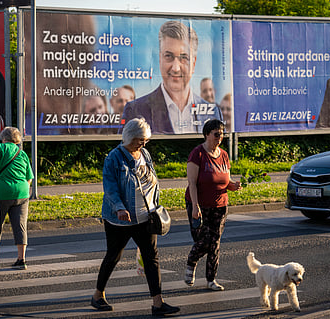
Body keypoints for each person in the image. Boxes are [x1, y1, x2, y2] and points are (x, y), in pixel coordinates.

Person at [91, 118, 180, 316]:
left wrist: (155, 205)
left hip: (145, 217)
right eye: (141, 140)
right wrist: (120, 208)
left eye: (146, 140)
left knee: (151, 258)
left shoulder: (145, 154)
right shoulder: (113, 158)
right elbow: (110, 188)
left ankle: (158, 303)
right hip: (120, 219)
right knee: (114, 256)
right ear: (130, 137)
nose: (144, 143)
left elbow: (151, 181)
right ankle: (98, 295)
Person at [121, 21, 223, 134]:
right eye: (168, 56)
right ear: (160, 59)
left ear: (193, 63)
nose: (175, 68)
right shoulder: (135, 110)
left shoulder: (213, 112)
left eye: (184, 57)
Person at [184, 119, 241, 290]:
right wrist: (195, 206)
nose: (220, 138)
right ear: (207, 134)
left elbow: (225, 179)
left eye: (222, 134)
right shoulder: (197, 154)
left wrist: (233, 185)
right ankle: (192, 261)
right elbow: (192, 183)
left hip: (220, 205)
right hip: (199, 205)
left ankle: (211, 280)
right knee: (203, 241)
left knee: (215, 243)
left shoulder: (223, 154)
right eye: (216, 134)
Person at [0, 127, 34, 269]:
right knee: (20, 225)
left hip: (2, 192)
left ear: (3, 138)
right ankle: (21, 259)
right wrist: (20, 187)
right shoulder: (22, 153)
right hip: (22, 193)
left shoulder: (0, 147)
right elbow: (29, 178)